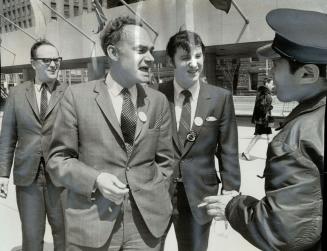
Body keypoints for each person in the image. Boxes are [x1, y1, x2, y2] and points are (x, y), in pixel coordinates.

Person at [46, 16, 173, 251]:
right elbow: (57, 161)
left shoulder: (158, 101)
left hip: (146, 226)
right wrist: (96, 179)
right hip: (93, 223)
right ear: (114, 53)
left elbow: (166, 161)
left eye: (151, 51)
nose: (150, 58)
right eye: (141, 50)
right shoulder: (76, 97)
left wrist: (153, 194)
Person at [221, 8, 326, 251]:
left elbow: (283, 232)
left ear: (307, 73)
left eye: (276, 65)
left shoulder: (296, 140)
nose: (270, 74)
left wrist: (232, 205)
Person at [159, 30, 241, 251]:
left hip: (199, 194)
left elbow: (228, 150)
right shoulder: (156, 95)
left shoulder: (220, 98)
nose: (193, 64)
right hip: (157, 192)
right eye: (185, 58)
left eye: (198, 56)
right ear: (171, 61)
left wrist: (230, 193)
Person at [0, 40, 67, 251]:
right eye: (46, 60)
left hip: (61, 177)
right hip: (27, 177)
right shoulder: (17, 94)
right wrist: (2, 175)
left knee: (64, 233)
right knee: (31, 235)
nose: (53, 64)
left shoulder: (70, 94)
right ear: (33, 63)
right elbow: (7, 137)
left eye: (56, 59)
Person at [242, 78, 274, 160]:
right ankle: (246, 152)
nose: (273, 86)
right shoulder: (263, 93)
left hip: (267, 118)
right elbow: (261, 107)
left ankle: (271, 156)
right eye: (271, 84)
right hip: (263, 119)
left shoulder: (264, 93)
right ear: (267, 83)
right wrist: (270, 107)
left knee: (269, 137)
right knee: (258, 136)